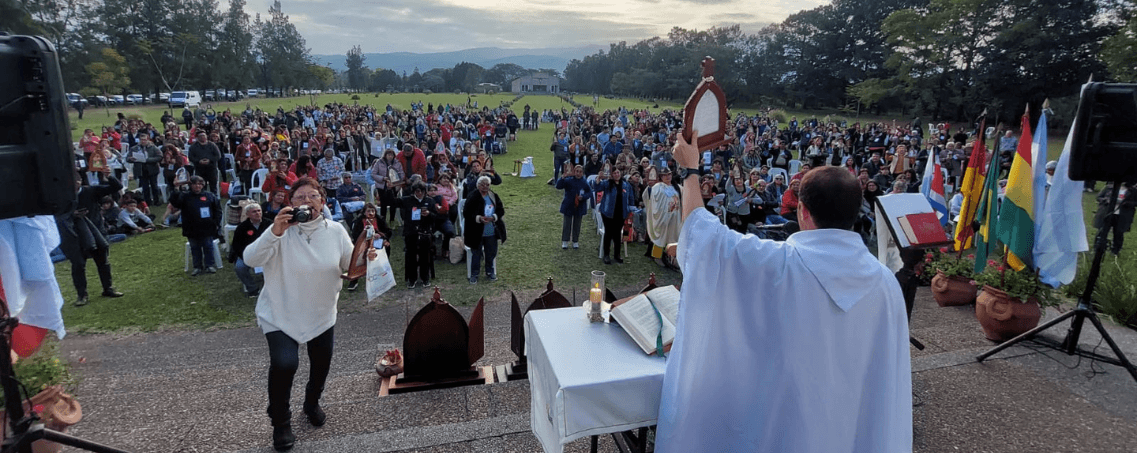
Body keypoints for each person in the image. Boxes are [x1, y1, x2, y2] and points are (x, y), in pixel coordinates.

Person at [656, 133, 912, 452]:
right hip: (844, 433)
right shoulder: (886, 283)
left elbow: (703, 239)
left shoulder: (776, 265)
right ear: (855, 212)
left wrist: (691, 171)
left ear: (801, 211)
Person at [242, 177, 362, 452]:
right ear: (289, 203)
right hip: (280, 311)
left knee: (321, 364)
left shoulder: (335, 230)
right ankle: (281, 422)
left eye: (313, 196)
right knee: (285, 364)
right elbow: (250, 259)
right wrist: (274, 231)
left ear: (323, 202)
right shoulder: (279, 231)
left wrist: (368, 258)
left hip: (321, 312)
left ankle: (311, 402)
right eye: (299, 197)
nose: (306, 202)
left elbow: (349, 266)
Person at [55, 173, 125, 306]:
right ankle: (82, 295)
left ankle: (108, 288)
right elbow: (56, 214)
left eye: (76, 184)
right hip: (74, 236)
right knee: (78, 265)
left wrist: (108, 175)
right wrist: (72, 214)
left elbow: (117, 186)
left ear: (80, 182)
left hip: (96, 231)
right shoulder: (62, 197)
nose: (74, 188)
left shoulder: (91, 191)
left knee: (103, 261)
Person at [170, 175, 223, 276]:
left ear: (203, 185)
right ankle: (197, 267)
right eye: (195, 184)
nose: (197, 186)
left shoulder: (209, 196)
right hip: (191, 227)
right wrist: (176, 189)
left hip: (207, 227)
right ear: (191, 185)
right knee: (195, 247)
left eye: (199, 184)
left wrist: (216, 223)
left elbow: (217, 210)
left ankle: (210, 265)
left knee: (208, 246)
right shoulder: (185, 196)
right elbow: (175, 204)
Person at [462, 175, 505, 284]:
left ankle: (490, 272)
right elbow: (466, 213)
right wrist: (479, 218)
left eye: (487, 184)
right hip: (476, 231)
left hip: (491, 230)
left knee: (491, 252)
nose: (485, 186)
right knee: (476, 254)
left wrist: (493, 217)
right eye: (482, 184)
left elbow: (501, 210)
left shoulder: (493, 196)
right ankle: (474, 274)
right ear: (478, 185)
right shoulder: (472, 196)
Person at [401, 181, 439, 288]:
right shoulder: (408, 200)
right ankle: (412, 279)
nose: (420, 193)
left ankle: (425, 278)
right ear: (414, 191)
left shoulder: (430, 201)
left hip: (425, 233)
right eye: (418, 191)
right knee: (411, 256)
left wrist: (429, 214)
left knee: (425, 256)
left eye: (422, 191)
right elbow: (393, 202)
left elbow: (436, 217)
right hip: (411, 232)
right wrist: (390, 189)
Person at [347, 203, 392, 291]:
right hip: (363, 243)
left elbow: (388, 232)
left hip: (377, 242)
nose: (371, 213)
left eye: (373, 211)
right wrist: (367, 237)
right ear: (364, 212)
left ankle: (382, 275)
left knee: (386, 246)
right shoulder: (359, 221)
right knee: (357, 257)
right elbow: (355, 235)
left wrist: (383, 237)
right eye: (368, 211)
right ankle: (354, 280)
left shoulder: (380, 219)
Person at [229, 203, 271, 297]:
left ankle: (269, 288)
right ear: (248, 214)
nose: (257, 213)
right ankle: (252, 289)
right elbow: (236, 245)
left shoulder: (269, 224)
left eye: (259, 211)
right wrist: (247, 258)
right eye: (254, 212)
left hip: (267, 254)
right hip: (247, 254)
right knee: (239, 267)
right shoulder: (242, 227)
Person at [596, 166, 634, 264]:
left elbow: (630, 197)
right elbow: (597, 187)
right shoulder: (607, 184)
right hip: (608, 213)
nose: (617, 175)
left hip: (621, 213)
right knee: (608, 234)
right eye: (614, 173)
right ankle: (606, 255)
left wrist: (630, 208)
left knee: (617, 235)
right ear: (612, 175)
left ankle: (617, 254)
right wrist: (599, 178)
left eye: (618, 173)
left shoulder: (626, 185)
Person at [646, 166, 682, 264]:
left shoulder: (677, 187)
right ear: (661, 177)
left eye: (669, 174)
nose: (667, 176)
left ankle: (670, 257)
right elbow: (652, 197)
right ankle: (657, 256)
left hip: (675, 217)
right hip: (663, 217)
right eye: (664, 175)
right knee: (660, 235)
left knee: (673, 236)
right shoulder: (658, 187)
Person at [1094, 182, 1136, 256]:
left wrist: (1127, 203)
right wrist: (1106, 200)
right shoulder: (1109, 187)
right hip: (1107, 213)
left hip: (1122, 215)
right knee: (1102, 230)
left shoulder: (1133, 190)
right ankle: (1098, 247)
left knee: (1118, 233)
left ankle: (1115, 250)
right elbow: (1099, 197)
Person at [555, 165, 591, 249]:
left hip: (580, 206)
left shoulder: (584, 182)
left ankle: (575, 241)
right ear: (574, 172)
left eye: (580, 172)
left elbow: (589, 192)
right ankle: (565, 241)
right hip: (568, 205)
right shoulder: (569, 180)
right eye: (577, 171)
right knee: (567, 224)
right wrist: (562, 177)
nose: (578, 173)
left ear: (583, 173)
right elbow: (558, 186)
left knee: (577, 224)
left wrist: (584, 197)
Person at [127, 135, 163, 205]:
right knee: (145, 187)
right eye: (141, 140)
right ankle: (147, 201)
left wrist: (148, 160)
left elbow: (160, 156)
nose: (143, 141)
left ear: (148, 140)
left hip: (152, 169)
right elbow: (127, 158)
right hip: (141, 170)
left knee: (154, 186)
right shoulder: (134, 148)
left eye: (145, 140)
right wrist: (132, 159)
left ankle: (156, 200)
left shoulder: (153, 147)